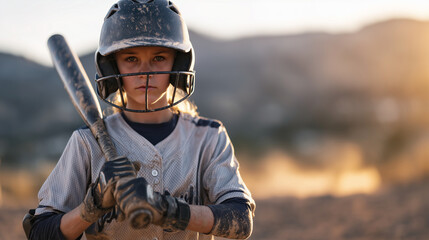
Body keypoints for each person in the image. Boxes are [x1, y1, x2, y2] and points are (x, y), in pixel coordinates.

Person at [25, 0, 255, 239]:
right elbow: (40, 232)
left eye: (159, 58)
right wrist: (90, 208)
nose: (146, 71)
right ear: (112, 68)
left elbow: (240, 220)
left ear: (178, 64)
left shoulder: (208, 138)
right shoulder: (87, 142)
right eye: (131, 59)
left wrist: (168, 210)